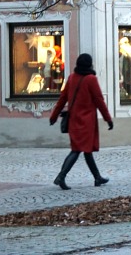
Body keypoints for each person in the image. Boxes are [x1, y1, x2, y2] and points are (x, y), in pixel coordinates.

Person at [48, 53, 114, 190]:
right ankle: (61, 176)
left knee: (85, 150)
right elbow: (99, 101)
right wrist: (108, 119)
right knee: (77, 150)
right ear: (89, 64)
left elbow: (62, 99)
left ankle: (97, 177)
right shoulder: (91, 79)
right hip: (86, 122)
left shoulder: (72, 78)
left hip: (73, 120)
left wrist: (54, 116)